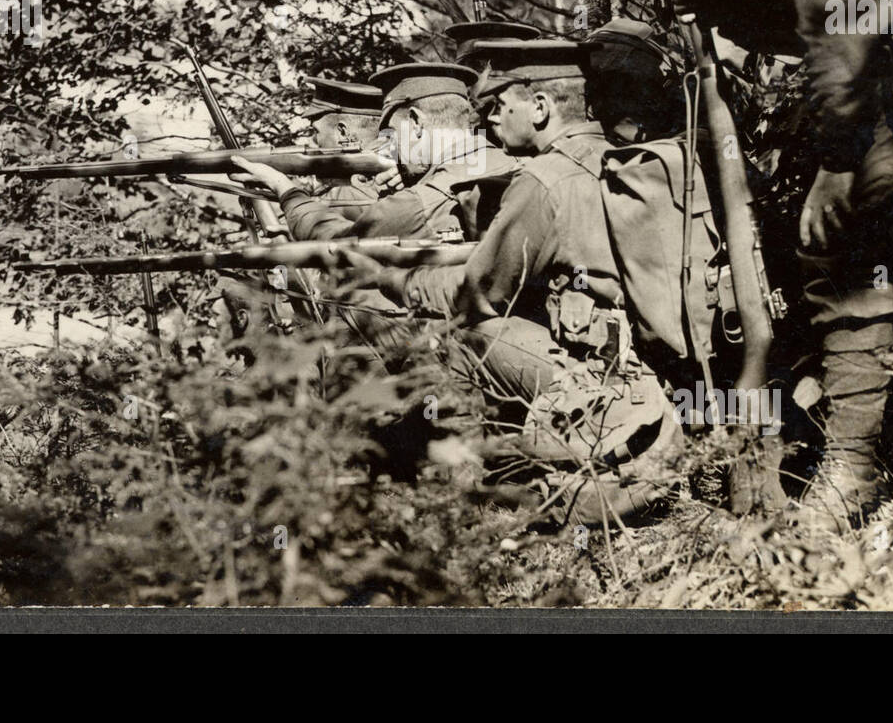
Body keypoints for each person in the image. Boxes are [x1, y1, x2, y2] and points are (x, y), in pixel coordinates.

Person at [581, 0, 893, 528]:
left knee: (836, 250)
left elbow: (851, 16)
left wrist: (837, 164)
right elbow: (806, 24)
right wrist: (729, 12)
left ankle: (857, 473)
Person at [356, 39, 683, 525]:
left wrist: (396, 280)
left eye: (499, 106)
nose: (487, 119)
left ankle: (472, 500)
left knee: (455, 337)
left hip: (607, 379)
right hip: (660, 372)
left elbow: (480, 295)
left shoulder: (545, 178)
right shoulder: (624, 156)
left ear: (541, 106)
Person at [234, 62, 512, 243]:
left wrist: (285, 189)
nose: (391, 145)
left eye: (392, 132)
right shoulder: (515, 163)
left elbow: (337, 243)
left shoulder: (422, 201)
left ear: (415, 122)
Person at [298, 76, 384, 220]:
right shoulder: (404, 172)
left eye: (316, 132)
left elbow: (300, 229)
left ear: (342, 133)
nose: (311, 141)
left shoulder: (339, 200)